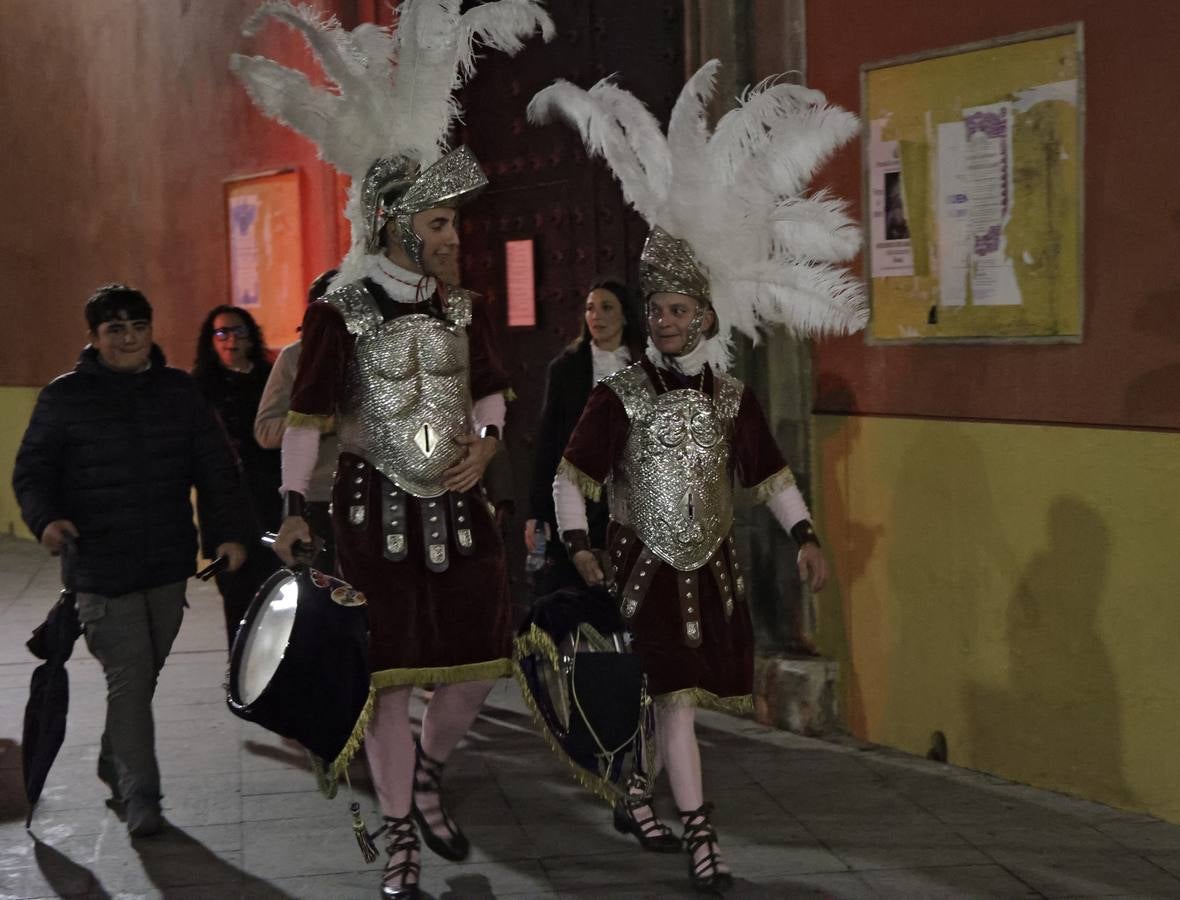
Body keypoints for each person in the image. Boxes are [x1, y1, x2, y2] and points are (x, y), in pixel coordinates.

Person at [232, 3, 553, 897]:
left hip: (461, 508)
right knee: (391, 673)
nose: (455, 237)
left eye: (455, 225)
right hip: (376, 512)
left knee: (479, 668)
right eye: (440, 224)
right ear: (397, 222)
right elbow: (305, 416)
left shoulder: (464, 309)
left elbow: (491, 391)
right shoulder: (339, 310)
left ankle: (427, 771)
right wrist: (295, 510)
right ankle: (400, 827)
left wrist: (487, 447)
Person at [530, 61, 867, 892]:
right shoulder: (620, 394)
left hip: (705, 574)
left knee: (677, 700)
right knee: (649, 693)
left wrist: (806, 535)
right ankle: (654, 801)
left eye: (682, 310)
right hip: (635, 569)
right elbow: (571, 476)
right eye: (660, 310)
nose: (669, 322)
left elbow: (771, 473)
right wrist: (578, 547)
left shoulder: (732, 399)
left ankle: (686, 825)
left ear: (706, 315)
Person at [13, 284, 250, 837]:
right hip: (98, 566)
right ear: (94, 338)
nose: (128, 339)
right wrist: (46, 519)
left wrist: (229, 535)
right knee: (129, 677)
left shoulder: (179, 393)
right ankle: (142, 796)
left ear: (151, 330)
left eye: (137, 327)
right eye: (114, 329)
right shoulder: (64, 398)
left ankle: (115, 760)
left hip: (167, 563)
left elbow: (216, 469)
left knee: (142, 677)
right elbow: (32, 471)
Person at [525, 278, 644, 594]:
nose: (597, 316)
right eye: (591, 308)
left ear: (626, 316)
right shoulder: (566, 368)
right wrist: (537, 513)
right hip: (576, 492)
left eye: (607, 308)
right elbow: (549, 441)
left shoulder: (645, 367)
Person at [192, 304, 282, 643]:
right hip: (225, 513)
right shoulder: (199, 389)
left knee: (278, 601)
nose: (231, 340)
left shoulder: (270, 380)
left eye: (238, 331)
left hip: (273, 504)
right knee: (239, 608)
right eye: (222, 332)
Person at [254, 270, 340, 573]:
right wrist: (323, 422)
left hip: (374, 494)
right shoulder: (296, 358)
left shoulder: (377, 356)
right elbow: (265, 430)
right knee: (323, 595)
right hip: (317, 499)